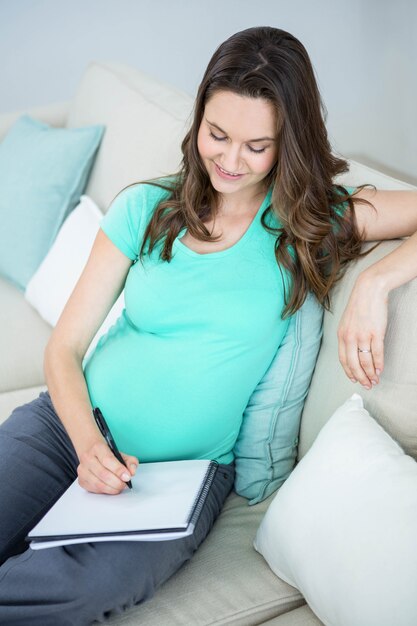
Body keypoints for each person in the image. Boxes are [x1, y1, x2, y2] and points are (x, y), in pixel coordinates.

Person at [0, 25, 416, 625]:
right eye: (216, 135)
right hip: (67, 428)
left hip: (179, 477)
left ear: (288, 143)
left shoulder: (307, 225)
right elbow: (63, 348)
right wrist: (88, 446)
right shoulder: (146, 209)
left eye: (256, 146)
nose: (228, 159)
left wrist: (377, 284)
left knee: (78, 593)